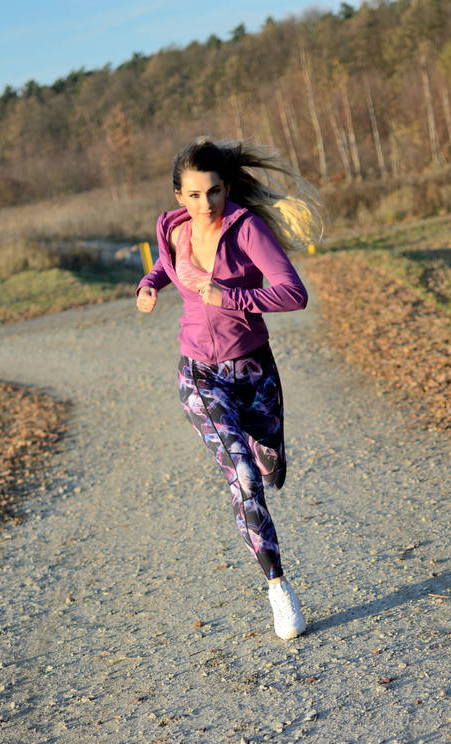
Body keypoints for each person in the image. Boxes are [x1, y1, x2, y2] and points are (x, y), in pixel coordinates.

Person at [136, 138, 323, 640]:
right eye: (194, 195)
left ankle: (267, 462)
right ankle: (279, 589)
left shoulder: (247, 230)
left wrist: (231, 296)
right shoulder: (172, 228)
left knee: (268, 467)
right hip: (198, 374)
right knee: (242, 474)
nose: (205, 204)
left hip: (253, 372)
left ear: (227, 188)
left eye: (214, 192)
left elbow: (293, 293)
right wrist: (149, 285)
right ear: (179, 195)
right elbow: (164, 265)